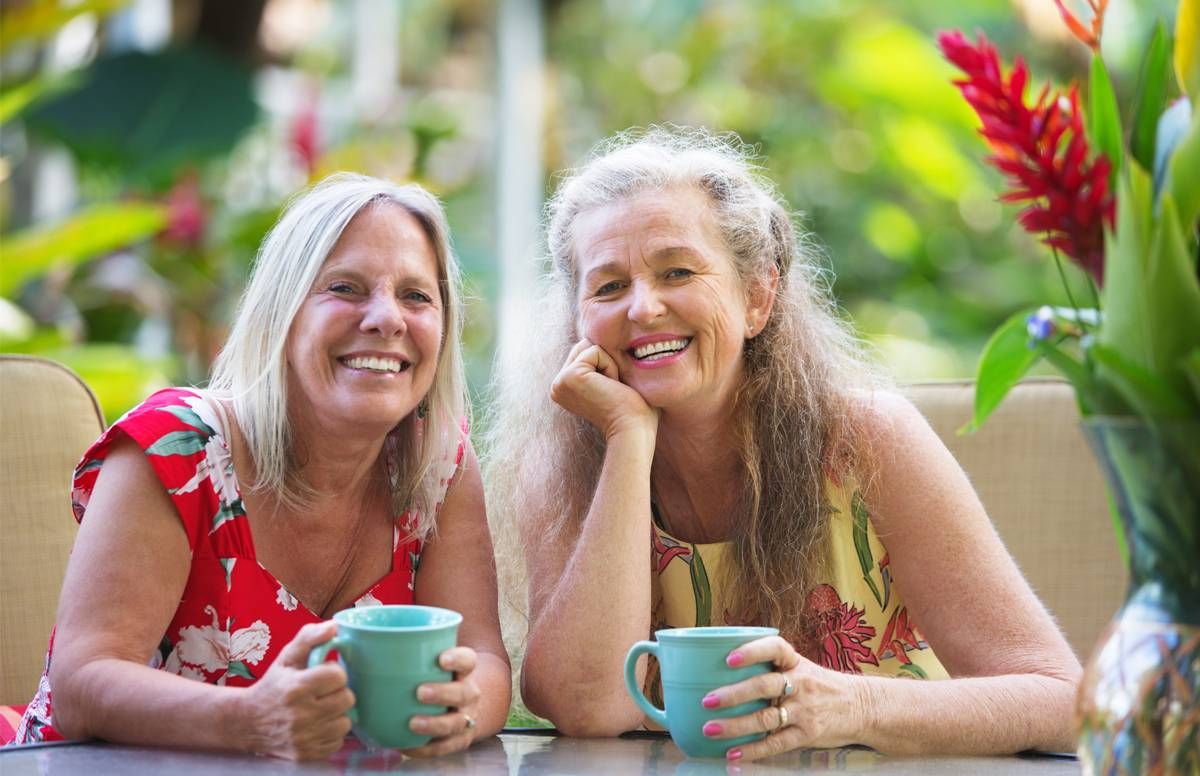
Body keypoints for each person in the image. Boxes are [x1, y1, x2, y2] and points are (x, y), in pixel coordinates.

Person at [487, 127, 1081, 761]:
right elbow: (589, 707)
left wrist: (851, 704)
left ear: (758, 296)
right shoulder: (564, 468)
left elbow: (1063, 700)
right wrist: (628, 439)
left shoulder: (867, 441)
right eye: (607, 287)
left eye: (677, 271)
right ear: (578, 319)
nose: (643, 307)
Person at [8, 173, 511, 759]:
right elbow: (84, 683)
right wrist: (250, 720)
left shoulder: (437, 467)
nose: (387, 318)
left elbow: (486, 662)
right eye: (346, 287)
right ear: (281, 315)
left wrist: (460, 709)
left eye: (416, 296)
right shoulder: (178, 449)